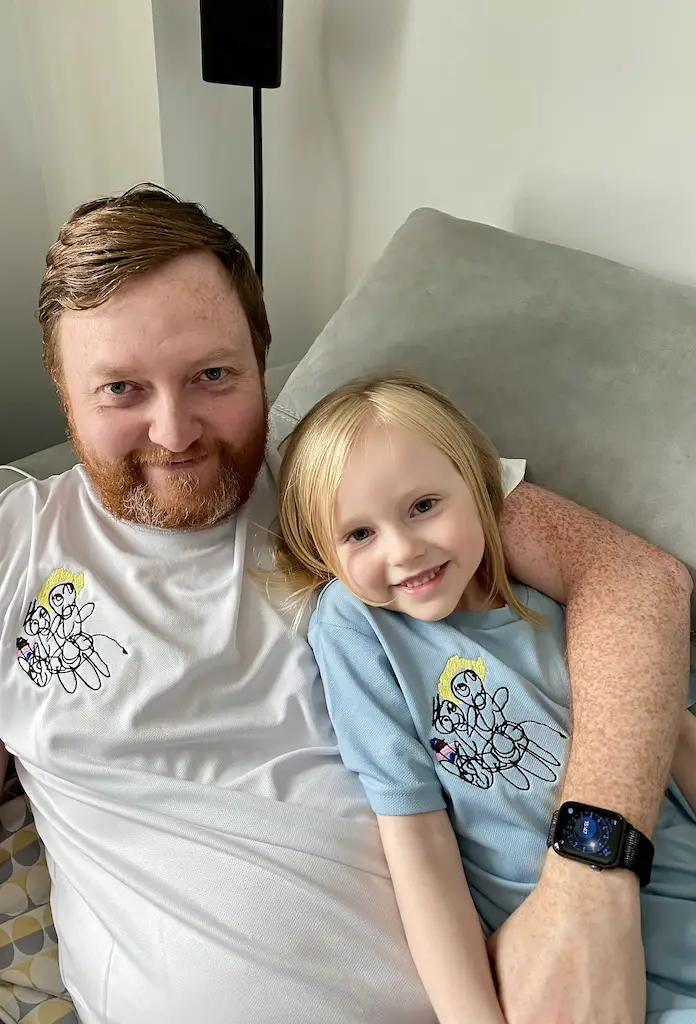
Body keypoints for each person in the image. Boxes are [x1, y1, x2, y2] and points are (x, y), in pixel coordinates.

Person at [0, 185, 691, 1024]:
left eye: (212, 374)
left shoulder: (362, 487)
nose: (175, 431)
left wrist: (592, 872)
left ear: (262, 355)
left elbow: (633, 580)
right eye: (121, 390)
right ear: (62, 387)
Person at [272, 372, 696, 1023]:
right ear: (321, 551)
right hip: (566, 976)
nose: (404, 549)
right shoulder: (358, 626)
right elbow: (419, 847)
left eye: (423, 507)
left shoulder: (570, 610)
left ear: (479, 485)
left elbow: (676, 736)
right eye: (359, 534)